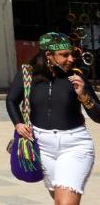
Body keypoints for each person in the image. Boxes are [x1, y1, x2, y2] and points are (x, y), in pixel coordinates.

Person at [7, 32, 100, 203]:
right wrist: (18, 124)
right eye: (65, 55)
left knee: (65, 202)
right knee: (59, 200)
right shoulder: (28, 74)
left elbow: (98, 116)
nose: (71, 59)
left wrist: (83, 96)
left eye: (71, 54)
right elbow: (11, 100)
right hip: (42, 147)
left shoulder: (76, 76)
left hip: (75, 145)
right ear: (49, 55)